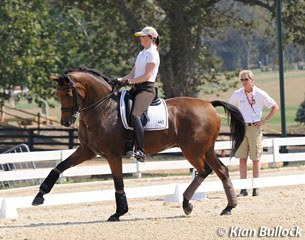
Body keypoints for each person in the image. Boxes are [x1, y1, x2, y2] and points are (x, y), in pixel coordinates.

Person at [229, 70, 279, 197]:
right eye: (242, 80)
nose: (244, 82)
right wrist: (236, 120)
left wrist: (265, 121)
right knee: (242, 159)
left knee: (256, 158)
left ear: (252, 80)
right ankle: (243, 189)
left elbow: (275, 107)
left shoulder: (261, 94)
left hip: (255, 128)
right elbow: (230, 107)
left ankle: (256, 188)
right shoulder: (237, 94)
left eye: (246, 79)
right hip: (241, 128)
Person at [118, 26, 160, 162]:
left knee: (135, 115)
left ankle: (141, 150)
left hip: (146, 89)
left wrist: (129, 81)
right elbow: (133, 73)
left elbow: (147, 76)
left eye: (143, 36)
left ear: (151, 38)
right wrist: (119, 80)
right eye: (140, 36)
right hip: (135, 87)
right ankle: (128, 145)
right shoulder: (142, 53)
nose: (140, 38)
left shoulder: (153, 53)